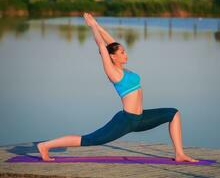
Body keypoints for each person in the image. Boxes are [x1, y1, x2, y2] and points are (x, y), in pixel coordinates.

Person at [37, 12, 198, 162]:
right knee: (90, 139)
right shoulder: (113, 72)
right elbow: (102, 45)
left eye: (125, 51)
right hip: (126, 121)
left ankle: (179, 153)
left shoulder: (124, 69)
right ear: (112, 57)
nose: (125, 54)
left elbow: (110, 43)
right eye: (122, 52)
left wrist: (97, 24)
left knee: (173, 113)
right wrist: (92, 26)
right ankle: (45, 146)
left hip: (140, 119)